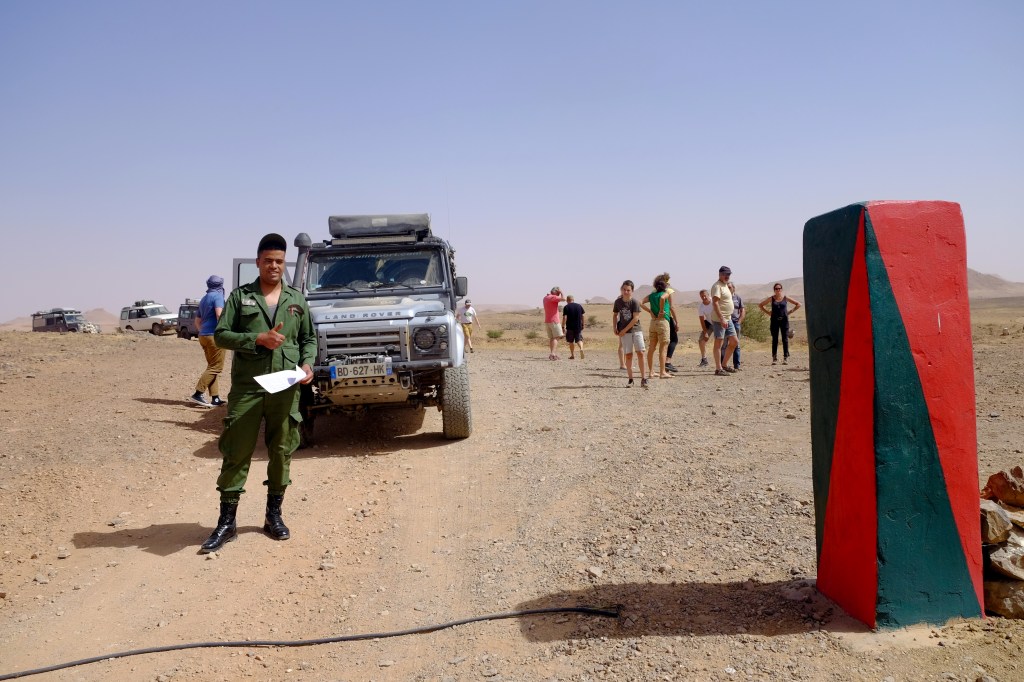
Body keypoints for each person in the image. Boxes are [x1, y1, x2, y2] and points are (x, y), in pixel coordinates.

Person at [200, 233, 317, 554]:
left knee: (281, 450)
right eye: (268, 261)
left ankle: (273, 516)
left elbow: (308, 339)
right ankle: (227, 523)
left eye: (279, 261)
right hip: (248, 388)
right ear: (258, 262)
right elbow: (221, 335)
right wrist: (256, 340)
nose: (274, 266)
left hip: (286, 386)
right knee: (237, 451)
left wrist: (307, 363)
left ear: (284, 263)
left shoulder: (296, 299)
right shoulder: (241, 297)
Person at [188, 275, 227, 408]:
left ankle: (215, 398)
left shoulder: (204, 299)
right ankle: (198, 393)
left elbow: (197, 321)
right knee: (216, 367)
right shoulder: (218, 297)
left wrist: (203, 331)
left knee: (212, 367)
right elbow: (219, 314)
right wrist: (224, 331)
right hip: (214, 336)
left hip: (203, 336)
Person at [641, 274, 677, 379]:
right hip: (662, 322)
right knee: (663, 347)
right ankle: (662, 372)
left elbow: (640, 302)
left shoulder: (651, 295)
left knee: (652, 347)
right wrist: (661, 311)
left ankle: (651, 372)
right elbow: (662, 298)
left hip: (653, 322)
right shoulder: (665, 293)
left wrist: (650, 311)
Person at [613, 280, 648, 388]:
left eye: (628, 290)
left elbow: (635, 318)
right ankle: (630, 379)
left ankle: (643, 379)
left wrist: (624, 330)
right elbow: (615, 315)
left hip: (636, 330)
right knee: (628, 355)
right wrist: (615, 327)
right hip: (624, 332)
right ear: (621, 290)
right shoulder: (617, 302)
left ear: (632, 291)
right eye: (624, 289)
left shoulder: (635, 302)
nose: (626, 292)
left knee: (640, 353)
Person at [759, 283, 802, 365]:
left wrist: (790, 312)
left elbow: (798, 304)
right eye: (776, 288)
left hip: (784, 321)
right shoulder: (771, 298)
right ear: (774, 290)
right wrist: (768, 313)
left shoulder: (785, 298)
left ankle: (785, 357)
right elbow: (760, 305)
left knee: (785, 339)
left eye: (779, 288)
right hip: (774, 321)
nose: (778, 290)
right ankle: (774, 358)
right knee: (775, 339)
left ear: (781, 289)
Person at [710, 266, 738, 376]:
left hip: (728, 318)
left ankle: (724, 364)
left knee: (734, 341)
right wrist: (721, 318)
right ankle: (718, 368)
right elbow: (715, 302)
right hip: (719, 319)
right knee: (719, 343)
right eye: (725, 274)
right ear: (720, 274)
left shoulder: (725, 285)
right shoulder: (717, 286)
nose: (727, 276)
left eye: (728, 274)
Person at [720, 281, 744, 370]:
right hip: (726, 323)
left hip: (735, 322)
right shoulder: (723, 298)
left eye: (729, 287)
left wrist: (739, 321)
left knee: (736, 344)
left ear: (733, 288)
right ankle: (722, 365)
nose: (728, 289)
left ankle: (736, 365)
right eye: (726, 287)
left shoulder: (737, 298)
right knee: (724, 345)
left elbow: (742, 310)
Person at [543, 286, 565, 360]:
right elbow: (563, 299)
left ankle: (553, 354)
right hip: (554, 320)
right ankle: (552, 354)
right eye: (558, 293)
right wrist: (561, 292)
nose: (558, 295)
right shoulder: (553, 297)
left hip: (547, 320)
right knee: (557, 337)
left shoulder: (545, 298)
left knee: (552, 338)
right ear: (555, 292)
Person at [561, 295, 586, 359]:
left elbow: (564, 317)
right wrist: (583, 324)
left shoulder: (566, 307)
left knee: (571, 341)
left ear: (567, 300)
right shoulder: (579, 306)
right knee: (579, 339)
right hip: (578, 326)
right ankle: (581, 348)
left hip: (570, 327)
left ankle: (572, 355)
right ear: (573, 299)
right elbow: (583, 316)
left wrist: (563, 326)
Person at [697, 289, 714, 367]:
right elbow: (701, 320)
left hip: (718, 323)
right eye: (702, 296)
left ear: (708, 295)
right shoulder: (701, 307)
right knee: (701, 340)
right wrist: (705, 332)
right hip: (709, 323)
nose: (703, 297)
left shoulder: (714, 301)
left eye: (705, 296)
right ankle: (704, 359)